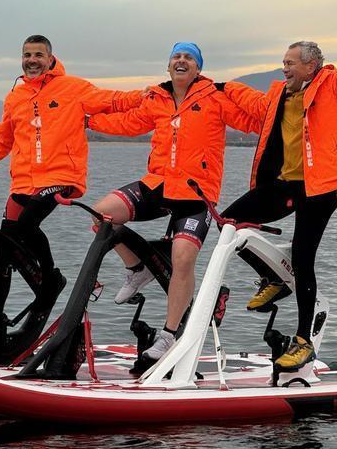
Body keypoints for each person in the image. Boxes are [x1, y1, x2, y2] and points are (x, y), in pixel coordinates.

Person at [0, 35, 141, 351]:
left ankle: (50, 280)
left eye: (39, 54)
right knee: (4, 247)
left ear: (51, 58)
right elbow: (1, 142)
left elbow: (114, 100)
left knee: (24, 229)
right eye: (27, 54)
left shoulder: (72, 88)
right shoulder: (15, 97)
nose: (32, 59)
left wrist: (152, 95)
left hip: (60, 178)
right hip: (23, 182)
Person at [218, 0, 337, 371]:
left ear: (310, 65)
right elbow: (249, 100)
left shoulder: (334, 85)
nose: (283, 68)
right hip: (287, 185)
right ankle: (271, 275)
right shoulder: (278, 96)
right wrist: (216, 86)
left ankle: (303, 340)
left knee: (304, 258)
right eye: (283, 62)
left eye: (289, 63)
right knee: (227, 223)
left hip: (323, 186)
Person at [83, 42, 261, 363]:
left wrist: (287, 120)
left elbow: (252, 121)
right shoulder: (158, 99)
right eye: (176, 57)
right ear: (168, 67)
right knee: (101, 214)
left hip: (197, 193)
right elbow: (128, 122)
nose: (181, 61)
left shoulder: (214, 98)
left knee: (182, 258)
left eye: (188, 57)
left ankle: (168, 335)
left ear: (198, 68)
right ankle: (137, 268)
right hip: (159, 184)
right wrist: (88, 121)